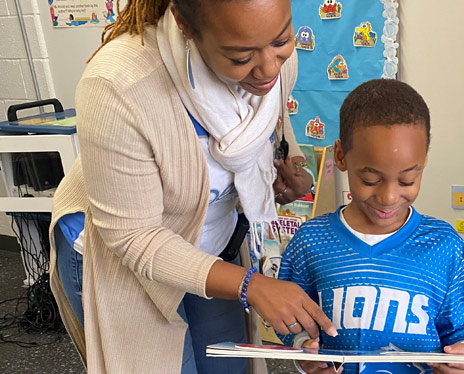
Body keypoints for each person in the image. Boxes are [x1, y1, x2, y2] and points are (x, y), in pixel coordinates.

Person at [48, 1, 337, 373]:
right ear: (184, 23)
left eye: (282, 40)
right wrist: (250, 285)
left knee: (227, 363)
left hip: (214, 243)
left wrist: (288, 164)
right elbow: (135, 236)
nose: (269, 69)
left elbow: (266, 117)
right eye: (241, 56)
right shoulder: (119, 85)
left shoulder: (274, 61)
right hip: (124, 253)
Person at [278, 79, 464, 374]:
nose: (389, 197)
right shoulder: (311, 242)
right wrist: (304, 351)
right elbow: (290, 321)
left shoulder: (444, 246)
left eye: (407, 180)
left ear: (424, 162)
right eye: (370, 180)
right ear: (341, 156)